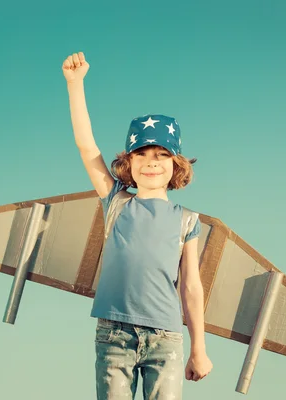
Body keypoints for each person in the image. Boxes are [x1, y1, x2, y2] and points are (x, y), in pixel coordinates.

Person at [63, 51, 213, 400]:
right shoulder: (115, 201)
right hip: (114, 334)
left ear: (175, 166)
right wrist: (75, 85)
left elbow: (191, 286)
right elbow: (87, 147)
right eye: (141, 154)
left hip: (166, 338)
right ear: (127, 163)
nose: (151, 163)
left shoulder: (187, 219)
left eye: (161, 155)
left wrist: (199, 349)